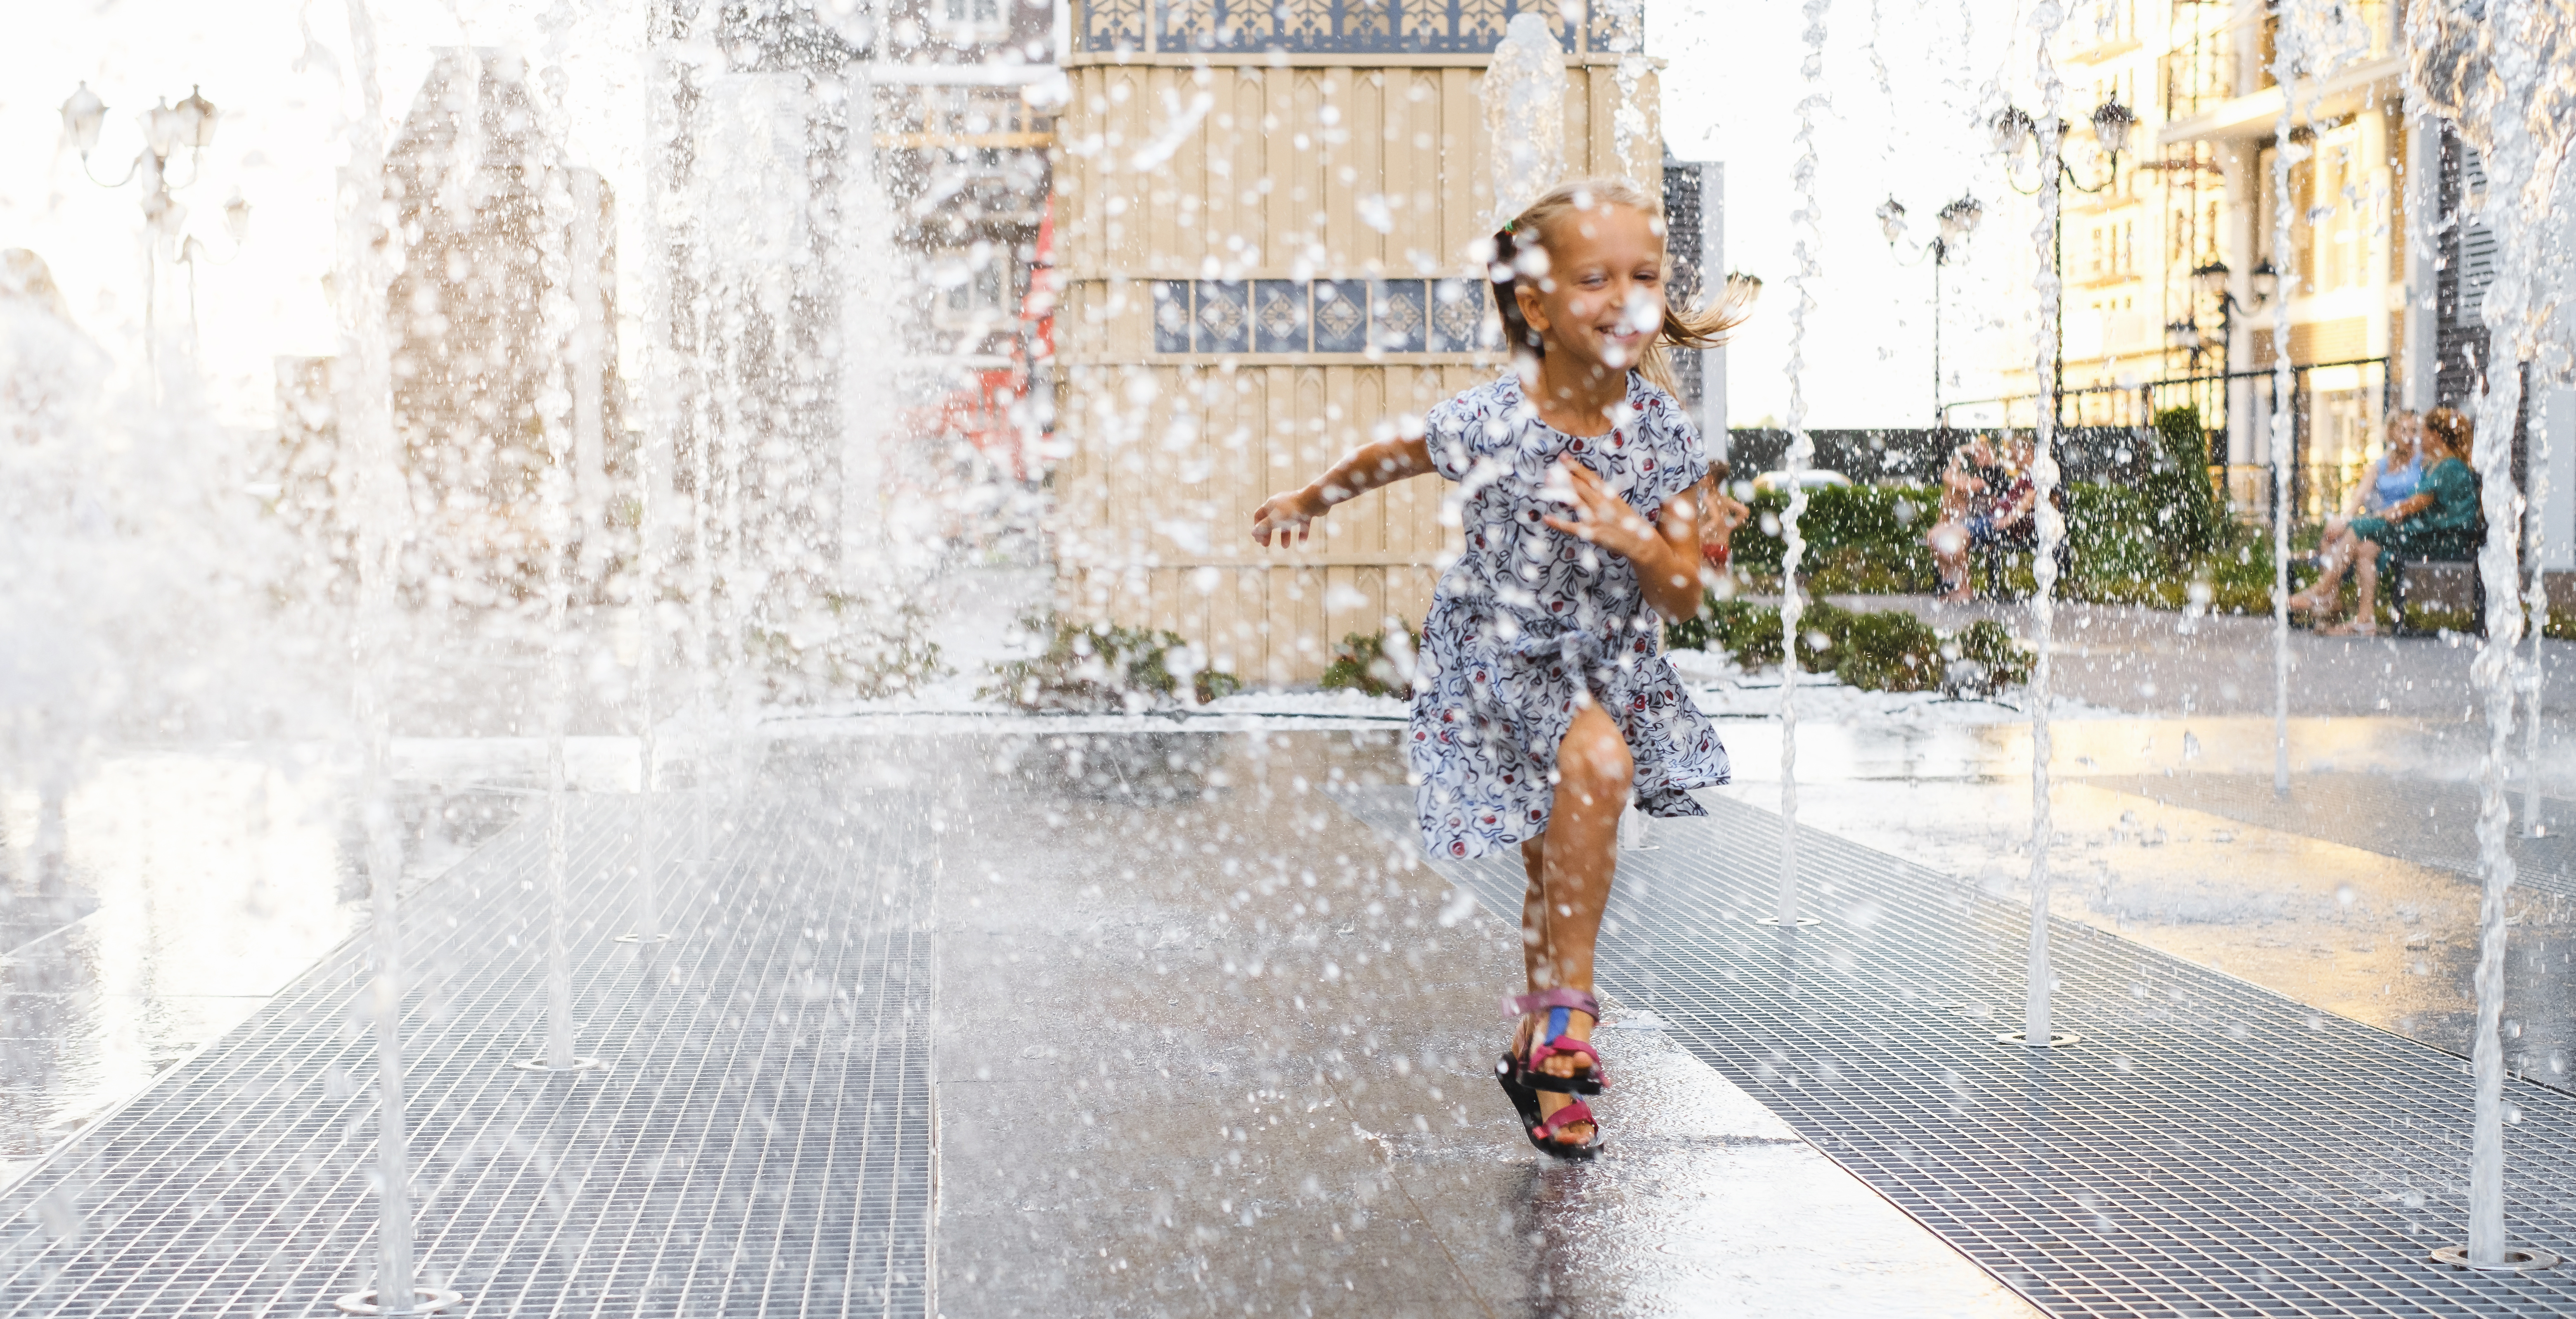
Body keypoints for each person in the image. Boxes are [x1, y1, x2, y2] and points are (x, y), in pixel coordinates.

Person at [1250, 178, 1739, 1158]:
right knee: (1569, 808)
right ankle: (1563, 1017)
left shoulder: (1661, 434)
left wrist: (1637, 539)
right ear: (1536, 304)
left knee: (1567, 830)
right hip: (1495, 668)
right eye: (1594, 277)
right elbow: (1392, 454)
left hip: (1604, 661)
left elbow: (1684, 592)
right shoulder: (1491, 418)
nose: (1626, 298)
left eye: (1644, 275)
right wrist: (1311, 495)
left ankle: (1546, 1041)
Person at [2301, 407, 2481, 636]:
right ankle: (2365, 620)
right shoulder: (2441, 465)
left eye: (2421, 432)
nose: (2417, 438)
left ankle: (2323, 591)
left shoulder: (2449, 467)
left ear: (2435, 437)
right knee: (2366, 547)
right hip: (2433, 534)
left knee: (2360, 528)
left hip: (2441, 540)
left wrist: (2372, 520)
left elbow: (2408, 507)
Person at [2290, 411, 2424, 619]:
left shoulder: (2422, 462)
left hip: (2405, 523)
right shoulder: (2381, 465)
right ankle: (2358, 614)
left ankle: (2324, 591)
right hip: (2381, 523)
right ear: (2391, 433)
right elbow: (2359, 496)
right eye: (2403, 430)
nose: (2409, 436)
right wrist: (2344, 518)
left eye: (2414, 431)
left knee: (2356, 535)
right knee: (2341, 536)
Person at [1925, 431, 2039, 602]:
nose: (2012, 456)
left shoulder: (1996, 472)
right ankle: (1951, 584)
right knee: (1934, 535)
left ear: (2028, 451)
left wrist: (2005, 521)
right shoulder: (2020, 475)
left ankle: (1964, 589)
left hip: (1997, 524)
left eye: (2014, 453)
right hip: (1988, 520)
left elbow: (2029, 499)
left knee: (1953, 536)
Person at [1699, 456, 1752, 589]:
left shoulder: (1707, 499)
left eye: (1702, 476)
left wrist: (1701, 533)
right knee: (1720, 581)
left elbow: (1716, 519)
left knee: (1705, 583)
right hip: (1722, 547)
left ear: (1710, 479)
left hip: (1708, 546)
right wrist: (1730, 526)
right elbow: (1745, 511)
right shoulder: (1724, 499)